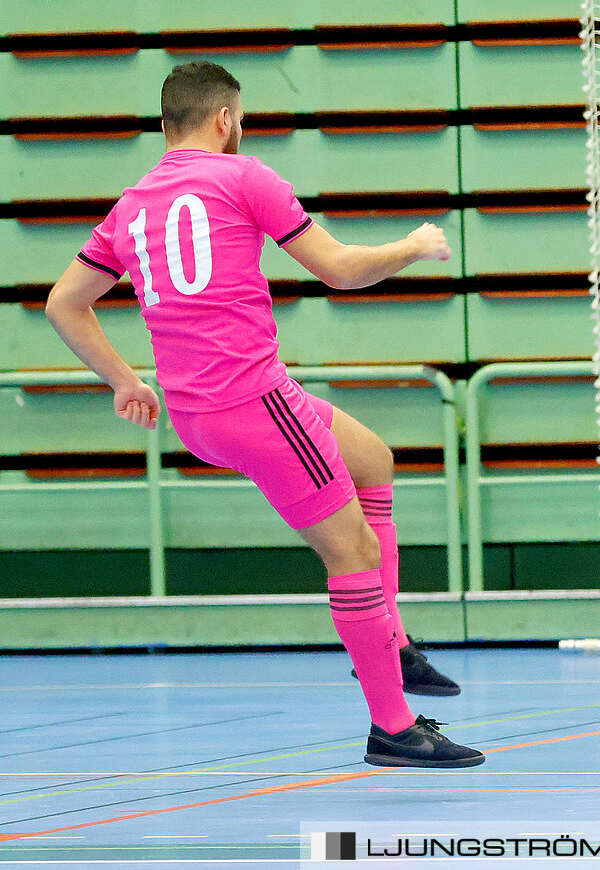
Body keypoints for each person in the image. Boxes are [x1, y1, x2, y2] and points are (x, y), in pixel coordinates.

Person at [44, 61, 484, 768]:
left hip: (197, 410)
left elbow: (65, 302)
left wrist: (124, 381)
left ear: (166, 124)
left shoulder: (132, 204)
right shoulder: (243, 175)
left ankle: (391, 644)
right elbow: (340, 268)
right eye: (239, 117)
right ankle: (393, 727)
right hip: (255, 400)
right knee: (354, 552)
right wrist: (413, 245)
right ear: (226, 119)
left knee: (373, 459)